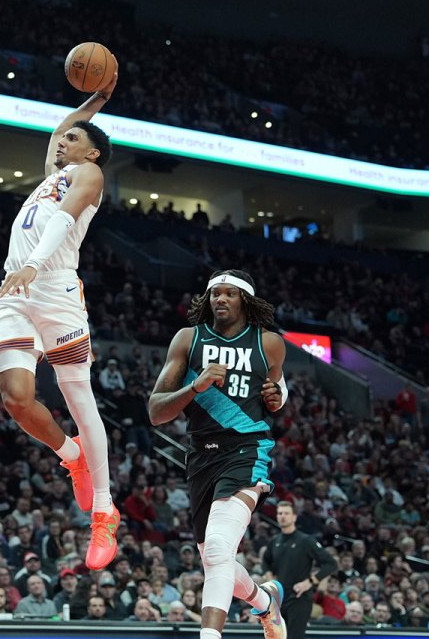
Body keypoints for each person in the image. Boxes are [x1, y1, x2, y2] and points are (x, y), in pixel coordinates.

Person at [0, 66, 120, 570]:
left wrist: (32, 265)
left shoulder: (90, 175)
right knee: (16, 400)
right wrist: (96, 102)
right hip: (16, 291)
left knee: (76, 394)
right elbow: (57, 129)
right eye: (63, 138)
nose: (62, 141)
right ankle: (72, 456)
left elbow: (63, 221)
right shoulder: (54, 175)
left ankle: (105, 513)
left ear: (91, 152)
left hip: (55, 288)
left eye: (73, 139)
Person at [148, 270, 290, 639]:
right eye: (214, 293)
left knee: (216, 550)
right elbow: (156, 412)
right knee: (217, 561)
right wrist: (195, 386)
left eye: (229, 294)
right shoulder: (188, 339)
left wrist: (278, 398)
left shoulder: (269, 343)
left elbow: (277, 389)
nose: (220, 299)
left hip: (246, 449)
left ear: (245, 300)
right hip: (199, 455)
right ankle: (264, 601)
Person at [262, 501, 336, 639]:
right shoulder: (275, 541)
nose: (282, 516)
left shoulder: (306, 540)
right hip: (279, 598)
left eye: (286, 513)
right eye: (279, 513)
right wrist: (268, 575)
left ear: (294, 517)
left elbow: (331, 564)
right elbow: (265, 561)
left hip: (299, 597)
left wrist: (310, 581)